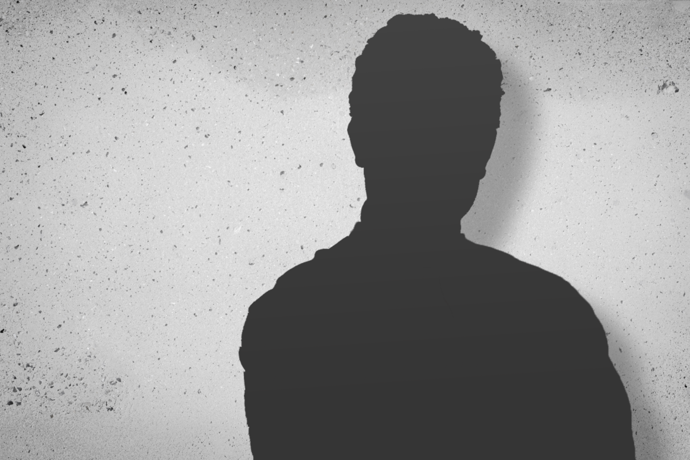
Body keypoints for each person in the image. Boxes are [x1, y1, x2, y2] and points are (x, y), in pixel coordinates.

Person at [240, 13, 636, 459]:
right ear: (361, 137)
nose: (461, 155)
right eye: (425, 126)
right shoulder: (550, 314)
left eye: (474, 130)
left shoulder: (289, 318)